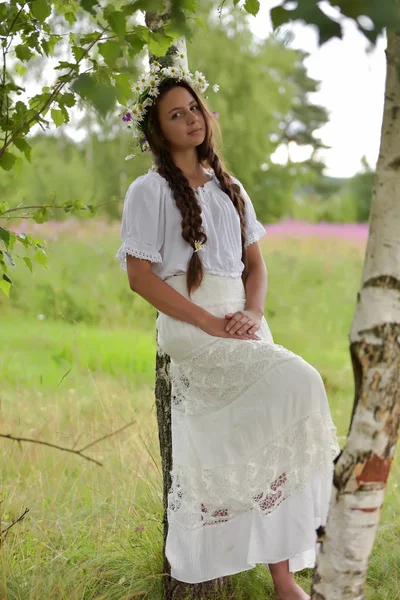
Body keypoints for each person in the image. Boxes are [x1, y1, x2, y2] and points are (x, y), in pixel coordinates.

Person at [115, 64, 340, 600]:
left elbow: (256, 266)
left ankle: (284, 579)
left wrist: (254, 315)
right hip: (194, 326)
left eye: (194, 108)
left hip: (243, 320)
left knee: (267, 438)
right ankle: (301, 555)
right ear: (158, 129)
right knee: (302, 383)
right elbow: (139, 277)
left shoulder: (230, 188)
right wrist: (209, 322)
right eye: (175, 114)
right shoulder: (147, 192)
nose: (190, 119)